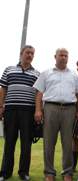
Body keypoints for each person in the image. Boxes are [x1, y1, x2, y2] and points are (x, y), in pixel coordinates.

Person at [33, 48, 78, 181]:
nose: (64, 57)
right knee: (49, 142)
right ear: (55, 56)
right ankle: (49, 173)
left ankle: (67, 173)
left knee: (67, 142)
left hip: (69, 109)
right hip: (50, 108)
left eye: (66, 55)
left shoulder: (74, 75)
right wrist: (38, 110)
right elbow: (39, 93)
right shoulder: (46, 73)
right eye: (61, 55)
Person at [0, 45, 40, 181]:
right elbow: (3, 89)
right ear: (21, 53)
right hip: (10, 110)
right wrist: (0, 106)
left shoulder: (37, 74)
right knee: (9, 142)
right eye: (27, 53)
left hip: (28, 111)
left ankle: (24, 172)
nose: (30, 55)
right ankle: (5, 172)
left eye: (32, 53)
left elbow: (38, 94)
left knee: (26, 143)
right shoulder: (8, 70)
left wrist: (37, 111)